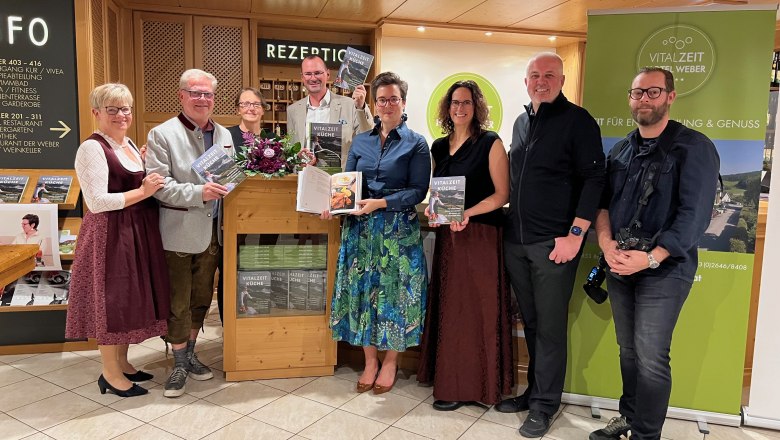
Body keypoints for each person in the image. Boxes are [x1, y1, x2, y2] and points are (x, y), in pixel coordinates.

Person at [590, 68, 720, 440]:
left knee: (651, 356)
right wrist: (605, 243)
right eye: (637, 92)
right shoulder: (621, 148)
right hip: (618, 266)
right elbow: (602, 205)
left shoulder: (694, 148)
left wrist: (651, 257)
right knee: (628, 352)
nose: (643, 99)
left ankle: (647, 435)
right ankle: (628, 419)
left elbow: (694, 217)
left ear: (670, 96)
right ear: (630, 98)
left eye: (653, 92)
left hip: (664, 269)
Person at [497, 52, 606, 438]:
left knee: (551, 328)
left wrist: (575, 235)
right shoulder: (521, 122)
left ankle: (545, 405)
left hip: (554, 244)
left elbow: (595, 180)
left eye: (549, 75)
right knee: (532, 323)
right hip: (517, 242)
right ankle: (534, 393)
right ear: (526, 81)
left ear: (561, 80)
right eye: (534, 75)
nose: (541, 81)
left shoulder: (578, 121)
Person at [324, 72, 431, 395]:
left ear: (403, 102)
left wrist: (381, 202)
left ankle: (391, 361)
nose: (387, 105)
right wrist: (336, 203)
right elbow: (348, 180)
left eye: (393, 99)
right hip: (361, 228)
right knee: (361, 293)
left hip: (398, 232)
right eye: (381, 99)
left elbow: (417, 191)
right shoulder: (361, 141)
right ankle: (370, 359)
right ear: (374, 103)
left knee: (397, 296)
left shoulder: (416, 143)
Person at [65, 83, 170, 398]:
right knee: (111, 301)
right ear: (96, 112)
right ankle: (110, 374)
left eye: (125, 108)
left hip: (133, 231)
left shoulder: (128, 145)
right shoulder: (92, 148)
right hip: (109, 235)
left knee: (126, 300)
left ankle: (123, 363)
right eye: (112, 109)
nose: (121, 115)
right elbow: (97, 201)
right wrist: (143, 191)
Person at [416, 80, 513, 410]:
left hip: (481, 237)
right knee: (451, 310)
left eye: (466, 103)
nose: (460, 108)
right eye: (455, 103)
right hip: (449, 238)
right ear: (447, 108)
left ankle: (478, 386)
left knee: (477, 311)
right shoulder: (439, 147)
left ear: (477, 107)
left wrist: (467, 214)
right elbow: (436, 194)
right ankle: (451, 382)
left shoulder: (490, 143)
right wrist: (434, 209)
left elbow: (502, 195)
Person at [146, 69, 233, 398]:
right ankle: (179, 362)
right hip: (178, 233)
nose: (202, 99)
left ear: (214, 98)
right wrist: (200, 194)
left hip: (213, 233)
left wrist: (230, 185)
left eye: (207, 94)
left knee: (200, 301)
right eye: (195, 93)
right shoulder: (162, 134)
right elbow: (159, 185)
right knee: (177, 303)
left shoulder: (223, 133)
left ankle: (192, 353)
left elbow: (229, 176)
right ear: (181, 96)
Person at [287, 55, 373, 168]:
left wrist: (361, 107)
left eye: (317, 73)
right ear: (302, 77)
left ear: (327, 74)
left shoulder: (350, 105)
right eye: (308, 74)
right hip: (306, 178)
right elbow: (293, 149)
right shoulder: (293, 110)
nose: (313, 78)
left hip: (341, 179)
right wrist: (299, 160)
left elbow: (369, 137)